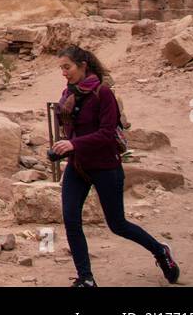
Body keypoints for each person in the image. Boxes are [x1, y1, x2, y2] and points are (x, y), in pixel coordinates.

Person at [52, 45, 178, 287]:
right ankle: (86, 278)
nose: (64, 73)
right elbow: (71, 130)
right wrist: (62, 148)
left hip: (105, 166)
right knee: (70, 219)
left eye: (67, 67)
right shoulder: (68, 94)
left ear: (82, 66)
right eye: (61, 68)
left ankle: (160, 251)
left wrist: (73, 144)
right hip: (78, 167)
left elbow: (107, 134)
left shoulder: (103, 93)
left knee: (117, 224)